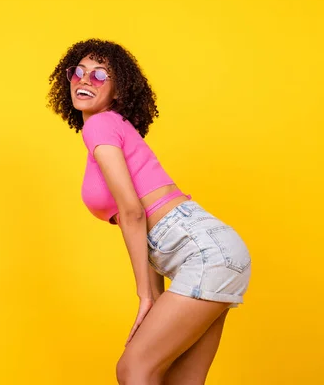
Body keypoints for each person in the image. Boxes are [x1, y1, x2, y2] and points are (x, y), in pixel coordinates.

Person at [47, 38, 252, 385]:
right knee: (181, 379)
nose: (84, 80)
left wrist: (144, 296)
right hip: (211, 250)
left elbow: (133, 212)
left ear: (118, 90)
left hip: (201, 250)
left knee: (134, 369)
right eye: (78, 72)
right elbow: (141, 221)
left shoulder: (99, 125)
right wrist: (153, 294)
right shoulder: (112, 128)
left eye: (100, 75)